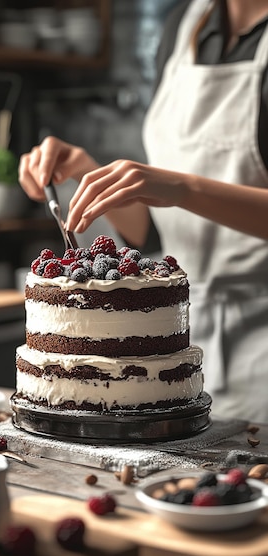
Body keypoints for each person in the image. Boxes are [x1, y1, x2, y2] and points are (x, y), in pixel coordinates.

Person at [19, 0, 268, 423]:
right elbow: (154, 231)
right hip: (169, 340)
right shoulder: (184, 24)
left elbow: (179, 194)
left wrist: (182, 187)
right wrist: (87, 171)